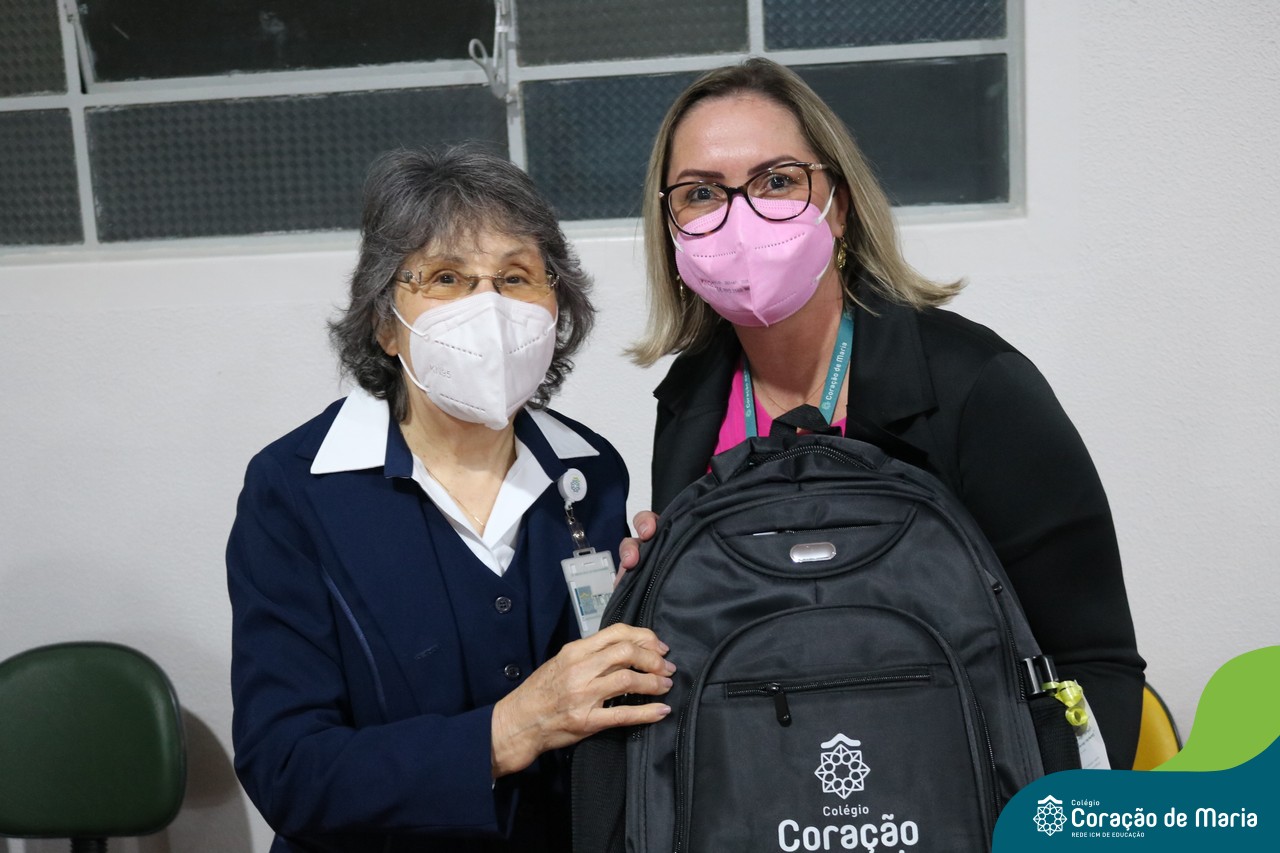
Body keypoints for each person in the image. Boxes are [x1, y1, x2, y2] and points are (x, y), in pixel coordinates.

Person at [619, 58, 1145, 769]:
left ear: (838, 207)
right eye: (701, 193)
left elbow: (1095, 661)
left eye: (777, 181)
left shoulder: (977, 386)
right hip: (773, 786)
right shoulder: (690, 399)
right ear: (671, 225)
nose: (739, 217)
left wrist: (1042, 813)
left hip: (961, 791)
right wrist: (658, 593)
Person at [227, 146, 673, 852]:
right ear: (384, 321)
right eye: (446, 277)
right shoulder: (294, 491)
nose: (488, 308)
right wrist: (505, 732)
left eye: (516, 277)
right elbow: (286, 768)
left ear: (557, 306)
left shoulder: (590, 470)